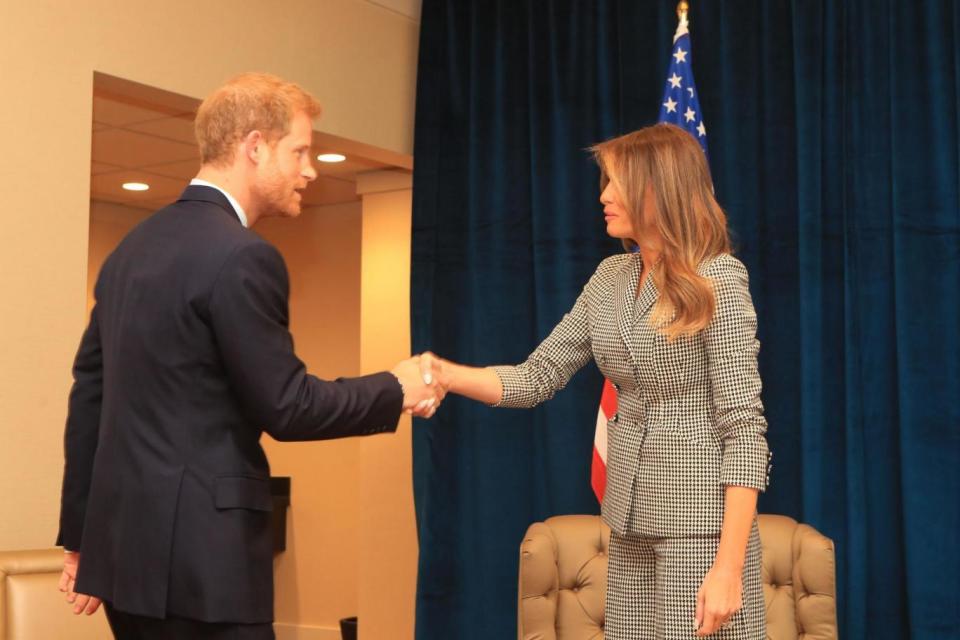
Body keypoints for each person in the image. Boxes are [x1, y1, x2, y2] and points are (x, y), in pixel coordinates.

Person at [57, 72, 443, 640]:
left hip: (123, 564)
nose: (311, 169)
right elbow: (287, 407)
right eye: (300, 151)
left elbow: (90, 397)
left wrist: (80, 540)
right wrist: (396, 386)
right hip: (205, 568)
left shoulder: (129, 251)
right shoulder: (243, 256)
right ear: (255, 146)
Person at [428, 123, 771, 638]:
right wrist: (444, 374)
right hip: (627, 521)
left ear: (659, 189)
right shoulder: (609, 278)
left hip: (700, 533)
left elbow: (744, 429)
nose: (604, 196)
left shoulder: (717, 278)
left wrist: (727, 567)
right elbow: (535, 377)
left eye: (616, 183)